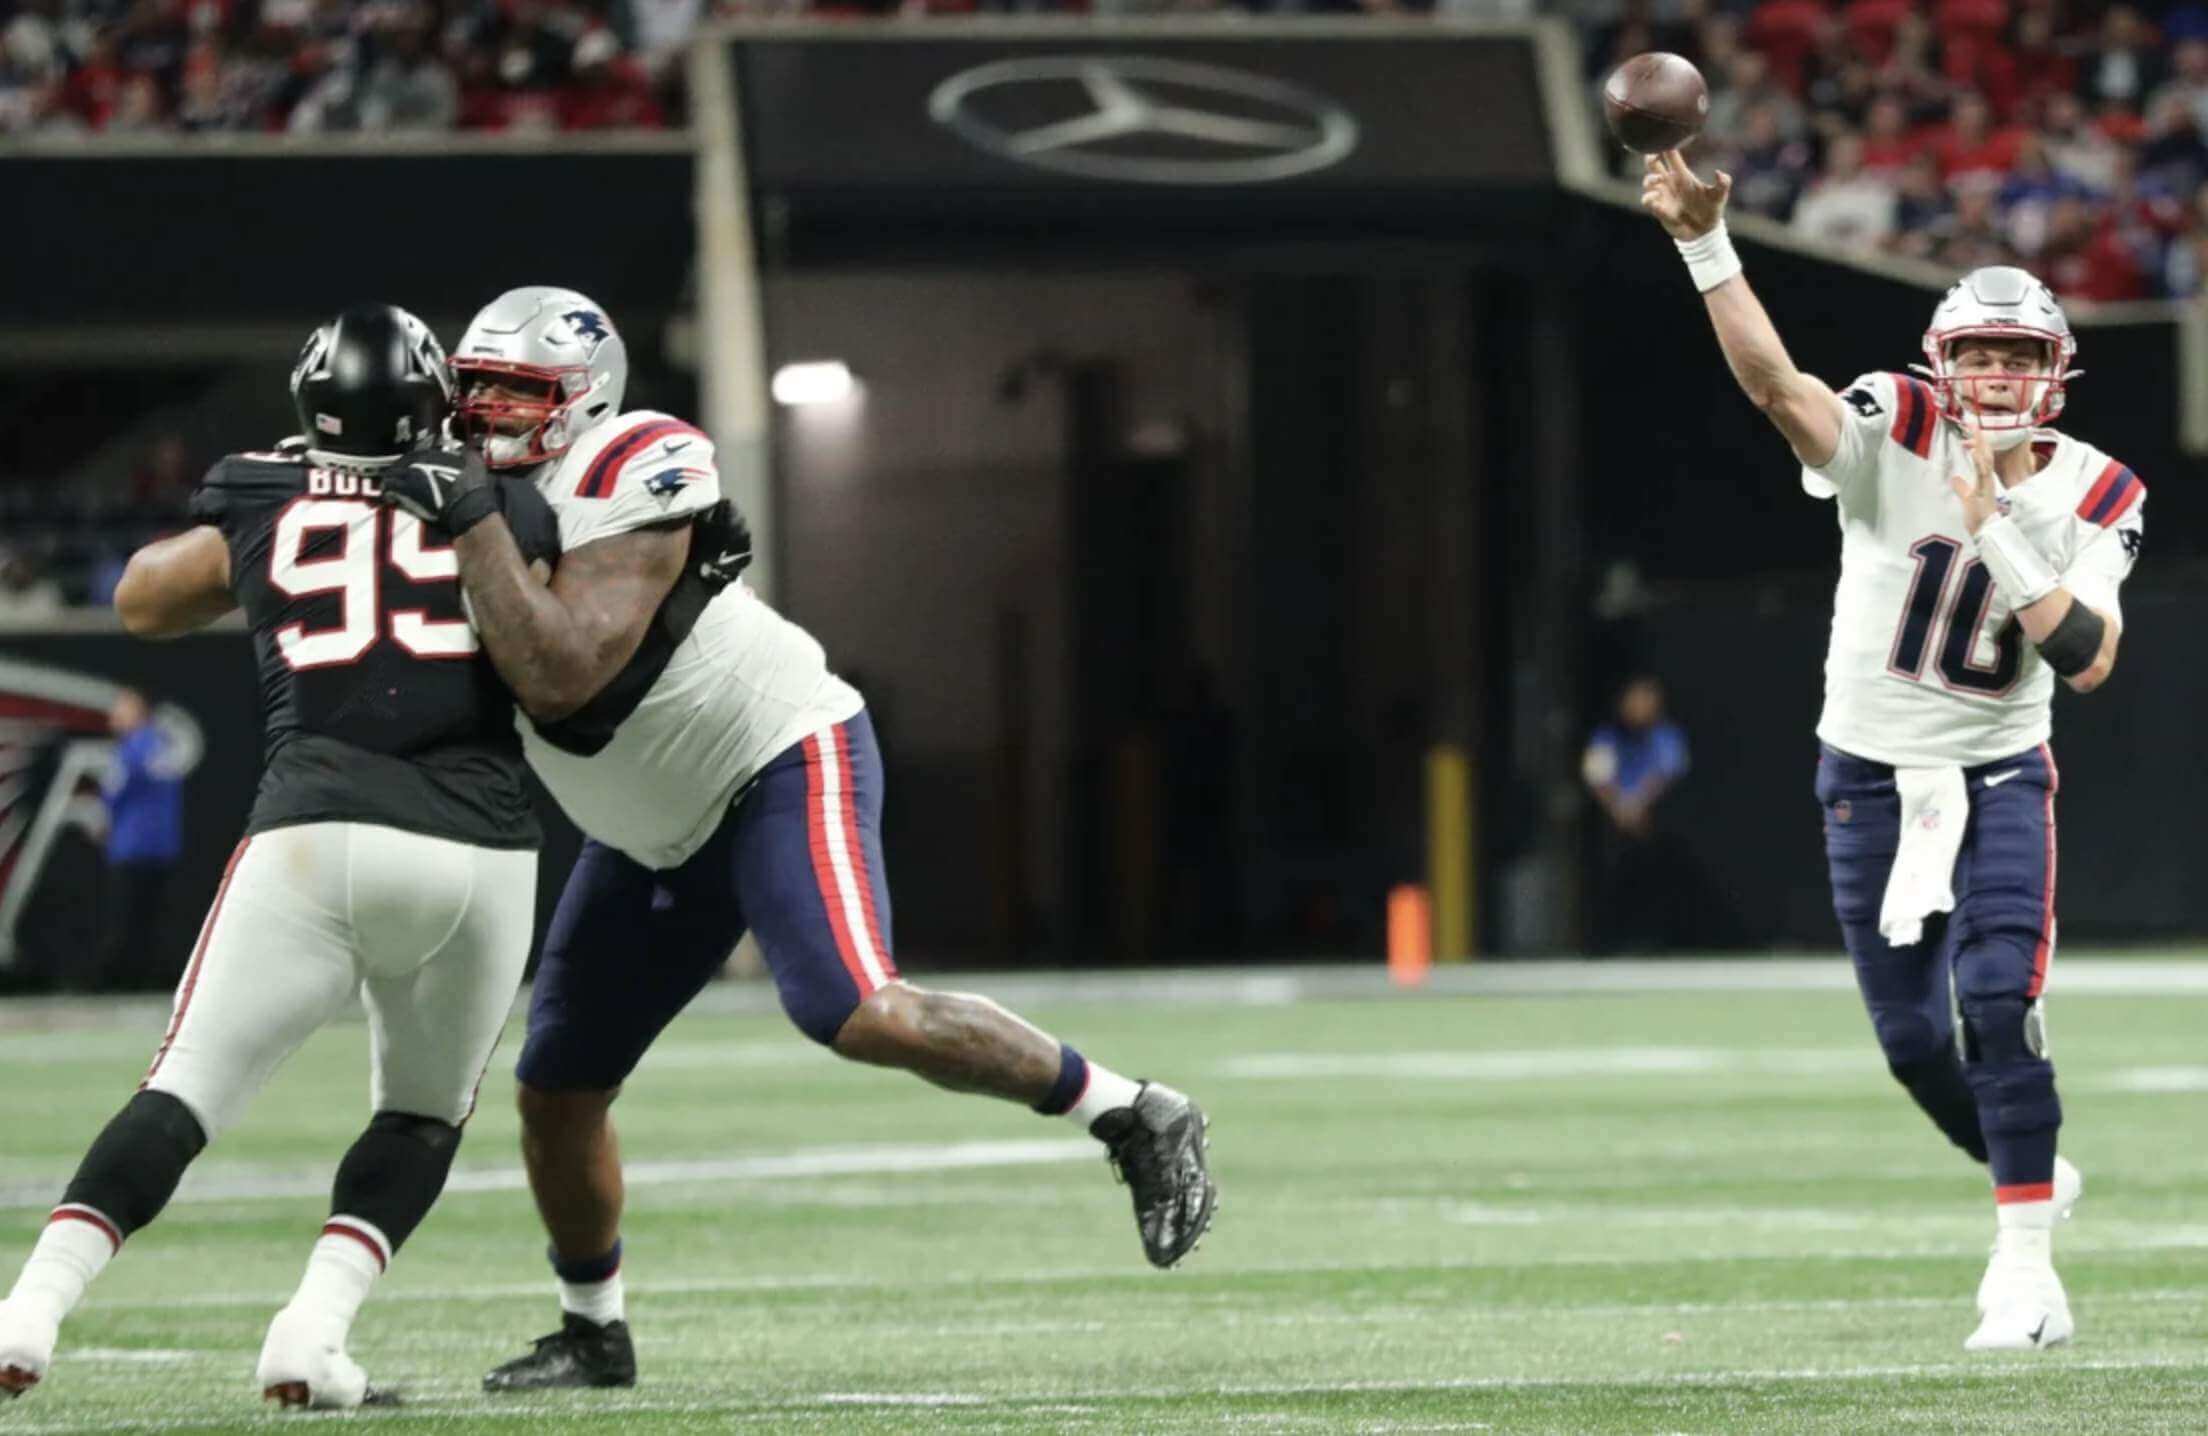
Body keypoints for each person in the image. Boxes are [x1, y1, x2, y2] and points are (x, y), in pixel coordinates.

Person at [378, 287, 1217, 1392]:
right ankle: (594, 1329)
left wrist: (466, 516)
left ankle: (1133, 1109)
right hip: (644, 824)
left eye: (517, 393)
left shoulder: (637, 457)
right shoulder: (444, 487)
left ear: (583, 400)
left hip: (772, 756)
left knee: (858, 1008)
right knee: (558, 1086)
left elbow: (563, 669)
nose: (487, 415)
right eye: (474, 391)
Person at [0, 305, 563, 1409]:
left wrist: (280, 530)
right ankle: (311, 1331)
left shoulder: (263, 486)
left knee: (185, 1090)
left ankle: (28, 1307)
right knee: (421, 1110)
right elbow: (551, 657)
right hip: (480, 847)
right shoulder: (512, 504)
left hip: (315, 824)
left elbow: (142, 598)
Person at [1642, 151, 2141, 1351]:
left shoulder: (2096, 489)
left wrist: (1999, 532)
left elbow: (2086, 656)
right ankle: (2029, 1161)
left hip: (2002, 769)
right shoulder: (1895, 419)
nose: (1996, 375)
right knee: (1914, 1042)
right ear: (1940, 361)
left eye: (2018, 356)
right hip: (1867, 769)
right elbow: (1776, 387)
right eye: (1977, 353)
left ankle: (2024, 1268)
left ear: (2055, 372)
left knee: (1998, 1007)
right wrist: (1707, 249)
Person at [1581, 675, 1691, 953]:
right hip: (1614, 822)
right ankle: (1607, 943)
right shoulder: (1607, 735)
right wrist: (1619, 808)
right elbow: (1596, 774)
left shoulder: (1665, 736)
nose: (1640, 707)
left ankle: (1657, 942)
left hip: (1653, 823)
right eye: (1634, 700)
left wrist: (1637, 805)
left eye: (1647, 700)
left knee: (1659, 881)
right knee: (1610, 882)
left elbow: (1667, 773)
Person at [94, 687, 185, 992]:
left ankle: (121, 980)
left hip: (132, 846)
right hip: (161, 845)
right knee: (152, 917)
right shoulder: (162, 744)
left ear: (140, 712)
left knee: (127, 918)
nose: (114, 717)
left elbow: (113, 794)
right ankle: (150, 978)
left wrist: (103, 820)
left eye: (122, 709)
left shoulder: (131, 749)